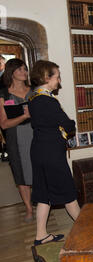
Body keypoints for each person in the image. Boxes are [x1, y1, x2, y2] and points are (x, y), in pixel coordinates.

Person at [29, 60, 80, 245]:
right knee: (68, 193)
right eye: (57, 77)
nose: (59, 81)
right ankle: (86, 227)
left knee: (44, 194)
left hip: (38, 150)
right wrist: (68, 125)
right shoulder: (48, 101)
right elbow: (68, 124)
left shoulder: (33, 97)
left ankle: (40, 235)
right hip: (51, 153)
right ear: (46, 77)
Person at [0, 58, 34, 221]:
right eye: (20, 69)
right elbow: (4, 124)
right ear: (11, 72)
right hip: (15, 138)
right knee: (21, 174)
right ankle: (28, 209)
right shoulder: (3, 94)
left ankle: (42, 201)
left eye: (25, 69)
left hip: (36, 135)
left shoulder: (34, 91)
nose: (24, 72)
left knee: (39, 169)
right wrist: (25, 116)